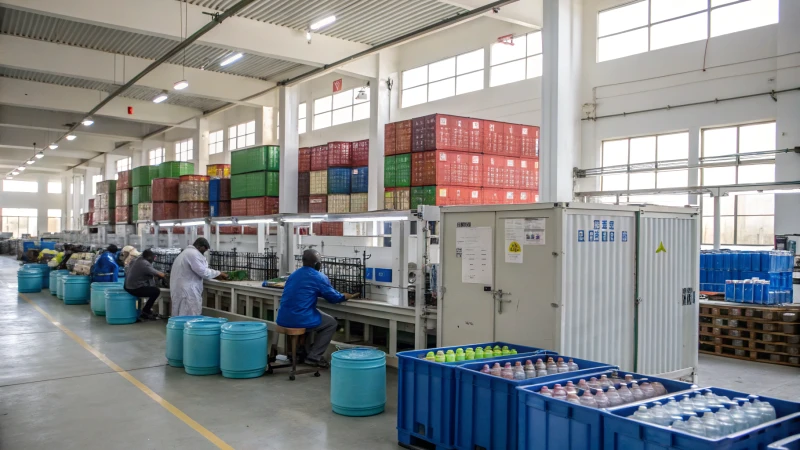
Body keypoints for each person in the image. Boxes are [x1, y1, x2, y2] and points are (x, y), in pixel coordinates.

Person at [277, 249, 358, 368]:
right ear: (317, 264)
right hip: (300, 317)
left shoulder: (293, 275)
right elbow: (333, 298)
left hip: (283, 317)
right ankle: (314, 356)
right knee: (330, 323)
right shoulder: (318, 276)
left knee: (315, 314)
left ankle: (301, 351)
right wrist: (345, 296)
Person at [170, 238, 228, 316]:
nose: (204, 252)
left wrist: (215, 275)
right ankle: (189, 328)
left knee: (180, 313)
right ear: (200, 246)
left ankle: (180, 328)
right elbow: (203, 272)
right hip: (188, 289)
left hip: (180, 287)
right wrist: (218, 274)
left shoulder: (186, 252)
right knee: (190, 313)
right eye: (205, 249)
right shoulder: (193, 254)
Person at [124, 249, 166, 320]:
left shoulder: (137, 260)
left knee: (151, 287)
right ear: (149, 257)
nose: (154, 259)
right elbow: (160, 274)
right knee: (156, 291)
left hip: (127, 286)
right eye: (153, 258)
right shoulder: (144, 264)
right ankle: (146, 311)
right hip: (134, 288)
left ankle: (146, 310)